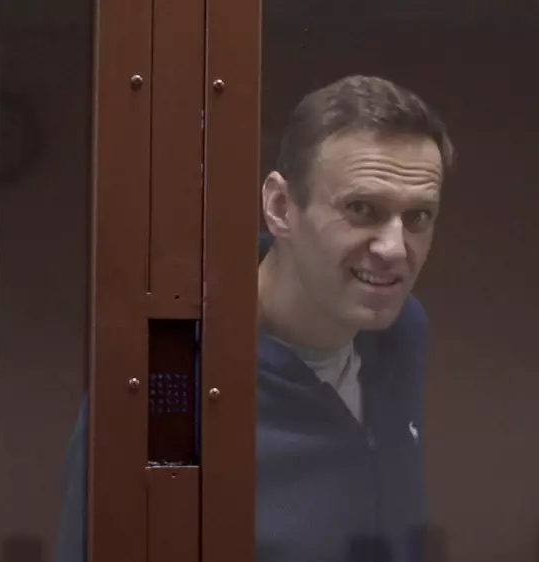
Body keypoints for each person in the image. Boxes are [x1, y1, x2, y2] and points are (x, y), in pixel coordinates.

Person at [54, 75, 455, 562]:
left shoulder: (400, 331)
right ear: (280, 207)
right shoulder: (170, 374)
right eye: (362, 208)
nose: (394, 249)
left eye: (418, 217)